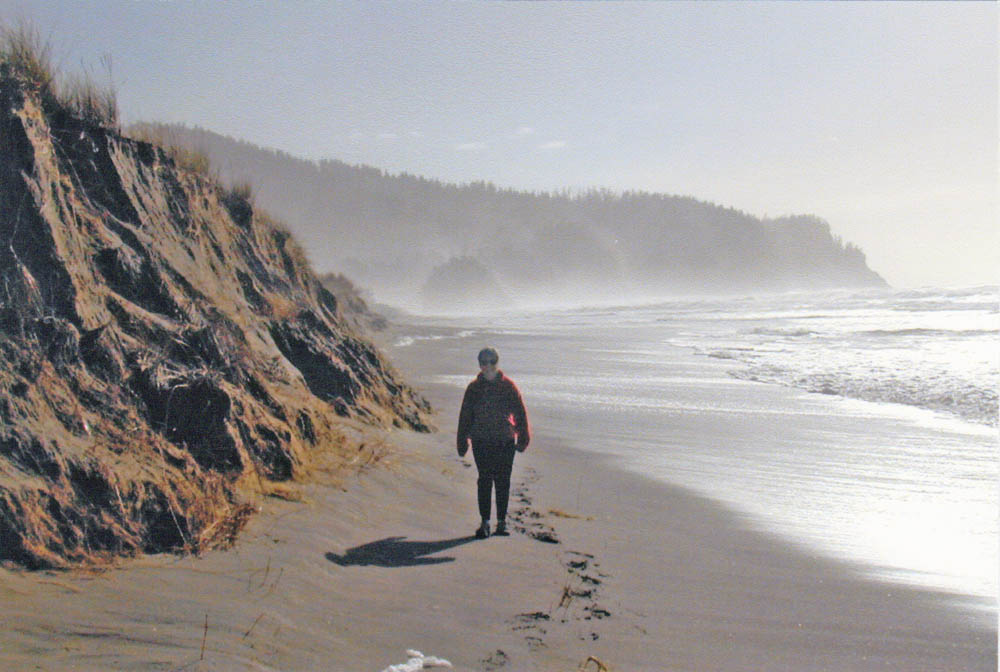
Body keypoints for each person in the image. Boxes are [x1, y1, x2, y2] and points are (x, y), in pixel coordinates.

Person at [457, 347, 530, 539]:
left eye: (492, 361)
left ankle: (502, 523)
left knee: (503, 481)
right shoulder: (473, 388)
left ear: (497, 363)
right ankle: (485, 523)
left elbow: (520, 413)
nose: (488, 366)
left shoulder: (508, 387)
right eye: (483, 362)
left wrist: (523, 437)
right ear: (479, 364)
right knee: (484, 480)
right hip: (481, 441)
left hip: (504, 441)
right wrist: (462, 441)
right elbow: (465, 416)